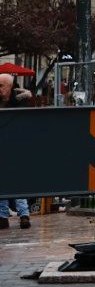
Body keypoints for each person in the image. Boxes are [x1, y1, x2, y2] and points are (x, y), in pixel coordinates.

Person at [0, 74, 34, 229]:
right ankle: (2, 216)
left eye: (1, 86)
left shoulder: (22, 100)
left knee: (17, 181)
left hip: (17, 146)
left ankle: (24, 214)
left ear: (10, 86)